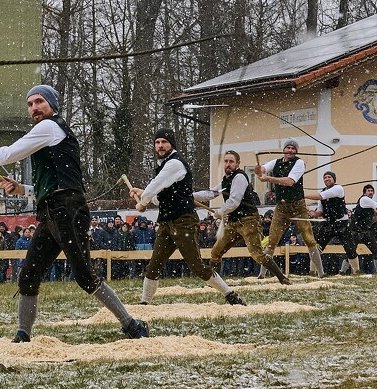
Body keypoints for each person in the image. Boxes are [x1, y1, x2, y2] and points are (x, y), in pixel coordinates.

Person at [0, 84, 149, 343]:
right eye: (30, 105)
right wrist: (23, 189)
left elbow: (8, 154)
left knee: (85, 277)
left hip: (67, 211)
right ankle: (23, 335)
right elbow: (49, 186)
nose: (34, 108)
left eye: (39, 102)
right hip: (52, 212)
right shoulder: (48, 137)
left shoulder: (49, 127)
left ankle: (131, 325)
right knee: (28, 274)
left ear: (52, 104)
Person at [132, 127, 245, 306]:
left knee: (197, 266)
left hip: (184, 221)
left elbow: (156, 184)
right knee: (154, 265)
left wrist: (143, 201)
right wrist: (144, 195)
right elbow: (162, 198)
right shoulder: (165, 165)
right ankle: (144, 304)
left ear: (172, 145)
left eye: (164, 142)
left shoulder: (175, 164)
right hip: (167, 222)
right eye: (157, 142)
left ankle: (231, 295)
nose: (160, 146)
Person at [205, 150, 289, 283]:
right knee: (216, 252)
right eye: (226, 161)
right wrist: (191, 196)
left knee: (258, 255)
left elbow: (234, 201)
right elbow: (211, 194)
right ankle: (214, 283)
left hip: (248, 220)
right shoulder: (226, 180)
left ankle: (282, 278)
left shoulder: (239, 177)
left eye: (231, 161)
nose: (228, 164)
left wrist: (220, 212)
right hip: (234, 222)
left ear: (237, 163)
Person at [258, 142, 325, 278]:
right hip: (281, 208)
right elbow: (264, 169)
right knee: (272, 241)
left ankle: (321, 273)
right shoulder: (275, 162)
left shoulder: (299, 163)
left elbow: (289, 181)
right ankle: (261, 274)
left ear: (296, 151)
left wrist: (268, 178)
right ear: (283, 150)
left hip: (297, 207)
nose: (290, 150)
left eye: (293, 148)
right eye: (288, 148)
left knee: (309, 239)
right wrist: (258, 170)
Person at [307, 172, 360, 275]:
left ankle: (356, 270)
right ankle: (312, 271)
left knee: (350, 249)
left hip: (341, 223)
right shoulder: (322, 192)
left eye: (329, 177)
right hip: (328, 224)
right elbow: (320, 211)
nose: (327, 179)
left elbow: (321, 196)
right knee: (317, 247)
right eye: (325, 177)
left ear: (334, 179)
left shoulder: (338, 189)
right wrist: (314, 213)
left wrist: (303, 195)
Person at [350, 185, 377, 274]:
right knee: (351, 252)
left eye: (372, 191)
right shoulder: (364, 199)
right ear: (365, 192)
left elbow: (370, 221)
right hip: (356, 231)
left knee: (376, 250)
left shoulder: (369, 204)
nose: (370, 192)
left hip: (365, 231)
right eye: (368, 190)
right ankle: (342, 271)